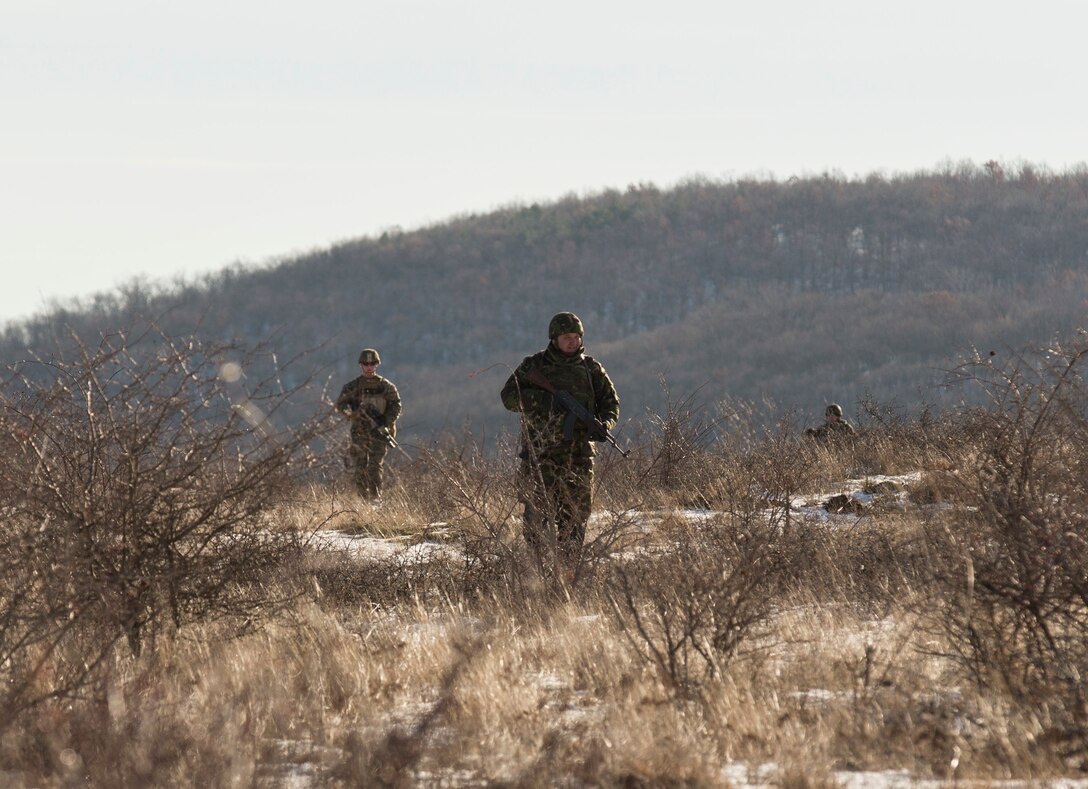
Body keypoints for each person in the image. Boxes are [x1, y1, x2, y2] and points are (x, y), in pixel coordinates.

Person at [501, 312, 620, 567]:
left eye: (576, 337)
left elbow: (611, 404)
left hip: (578, 459)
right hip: (540, 456)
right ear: (554, 339)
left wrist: (603, 425)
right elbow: (509, 397)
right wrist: (545, 401)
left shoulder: (591, 369)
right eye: (567, 337)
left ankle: (568, 575)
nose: (573, 342)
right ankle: (536, 576)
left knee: (575, 522)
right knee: (535, 523)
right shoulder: (534, 367)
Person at [336, 348, 402, 501]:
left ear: (376, 365)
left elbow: (396, 406)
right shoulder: (352, 387)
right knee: (360, 465)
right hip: (360, 431)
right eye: (366, 364)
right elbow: (341, 405)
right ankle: (362, 500)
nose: (369, 367)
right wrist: (353, 414)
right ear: (361, 365)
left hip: (380, 431)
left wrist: (385, 420)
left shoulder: (386, 386)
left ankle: (375, 498)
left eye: (372, 363)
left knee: (375, 465)